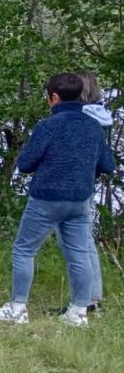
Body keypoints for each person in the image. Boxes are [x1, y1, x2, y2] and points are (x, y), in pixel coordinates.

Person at [0, 72, 115, 327]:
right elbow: (107, 165)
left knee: (24, 249)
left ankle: (18, 308)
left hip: (46, 198)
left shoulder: (48, 126)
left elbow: (25, 164)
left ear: (54, 98)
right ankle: (78, 313)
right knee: (79, 253)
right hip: (80, 200)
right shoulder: (93, 126)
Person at [47, 71, 114, 317]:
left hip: (72, 186)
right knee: (84, 243)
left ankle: (85, 302)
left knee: (76, 245)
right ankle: (91, 299)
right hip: (86, 184)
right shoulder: (99, 116)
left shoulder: (82, 118)